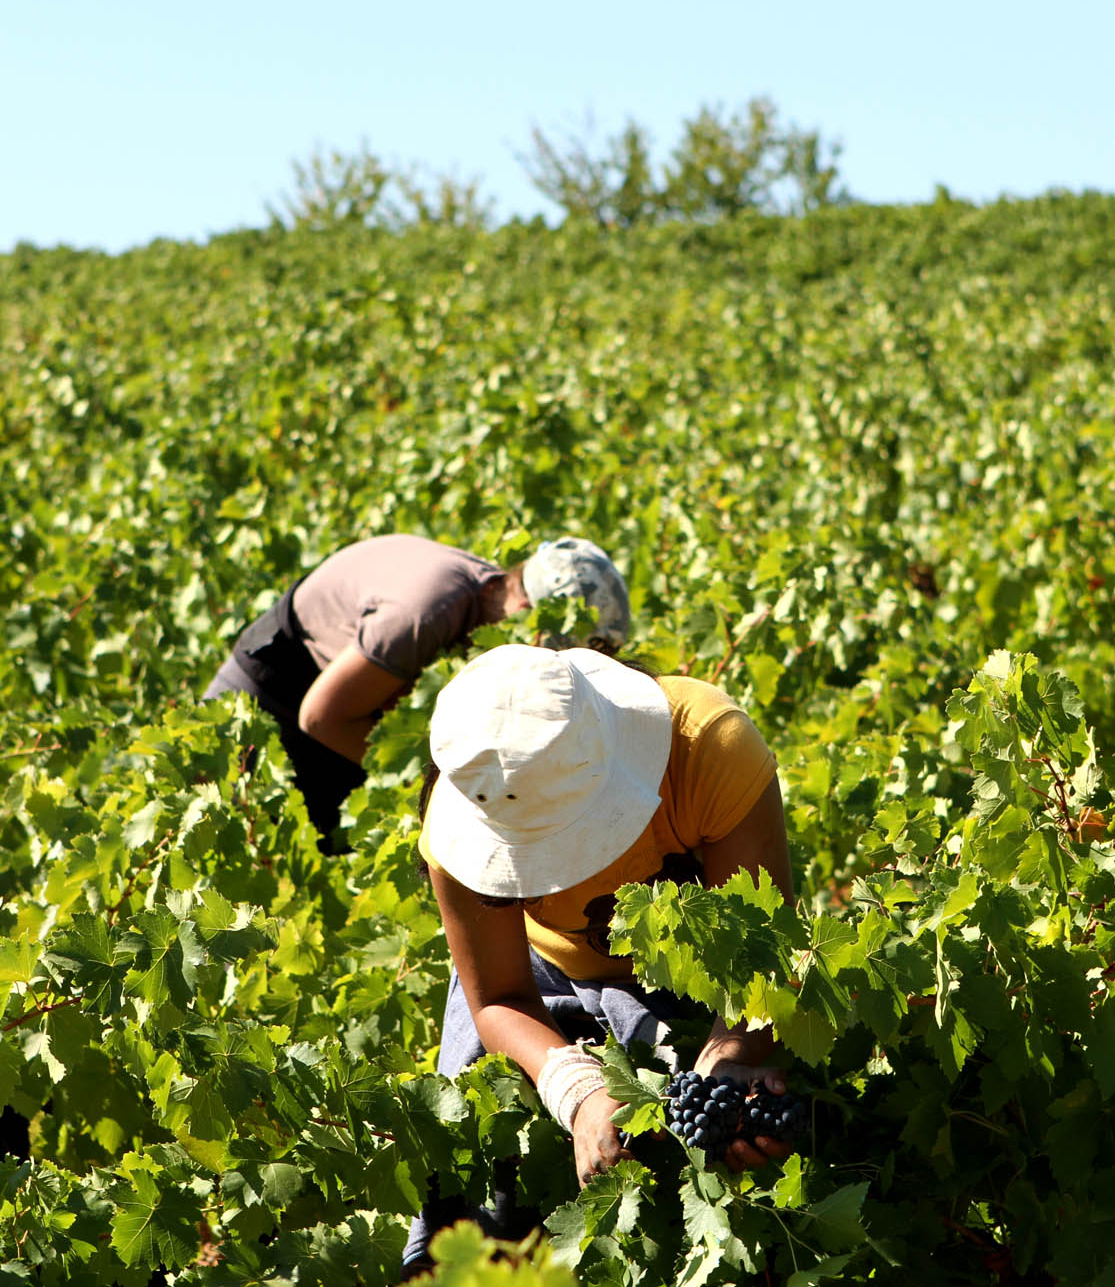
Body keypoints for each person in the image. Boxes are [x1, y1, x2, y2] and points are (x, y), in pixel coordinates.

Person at [401, 643, 796, 1272]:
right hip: (539, 978)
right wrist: (576, 1089)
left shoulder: (709, 750)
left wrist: (732, 1052)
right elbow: (499, 997)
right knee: (483, 1179)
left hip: (700, 978)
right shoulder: (460, 828)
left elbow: (759, 960)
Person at [206, 535, 630, 845]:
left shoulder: (489, 601)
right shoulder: (424, 613)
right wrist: (442, 792)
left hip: (351, 708)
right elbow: (321, 717)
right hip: (270, 701)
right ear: (525, 614)